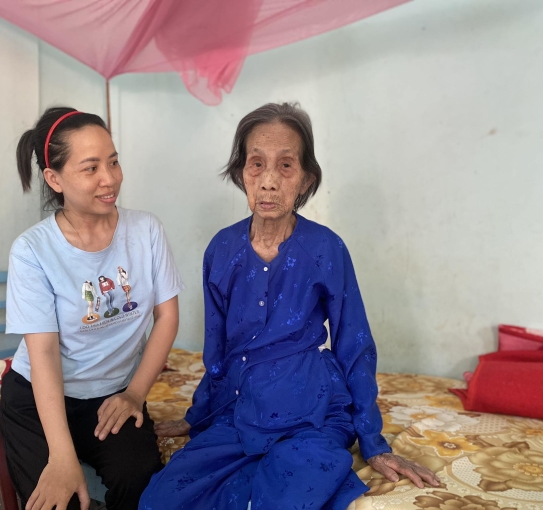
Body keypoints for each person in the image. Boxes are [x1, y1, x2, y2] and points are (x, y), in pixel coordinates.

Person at [140, 103, 439, 510]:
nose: (267, 182)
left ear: (305, 179)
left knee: (294, 489)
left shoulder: (325, 248)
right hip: (238, 405)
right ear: (240, 173)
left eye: (285, 166)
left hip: (312, 407)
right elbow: (217, 348)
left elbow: (354, 342)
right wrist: (197, 417)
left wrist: (372, 441)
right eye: (256, 164)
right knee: (162, 500)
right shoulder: (222, 249)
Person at [0, 107, 184, 510]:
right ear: (55, 179)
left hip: (111, 395)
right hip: (39, 399)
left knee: (140, 479)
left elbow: (166, 317)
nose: (110, 178)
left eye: (114, 161)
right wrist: (62, 456)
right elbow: (43, 352)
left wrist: (135, 394)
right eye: (91, 168)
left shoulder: (146, 231)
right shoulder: (33, 251)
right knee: (55, 501)